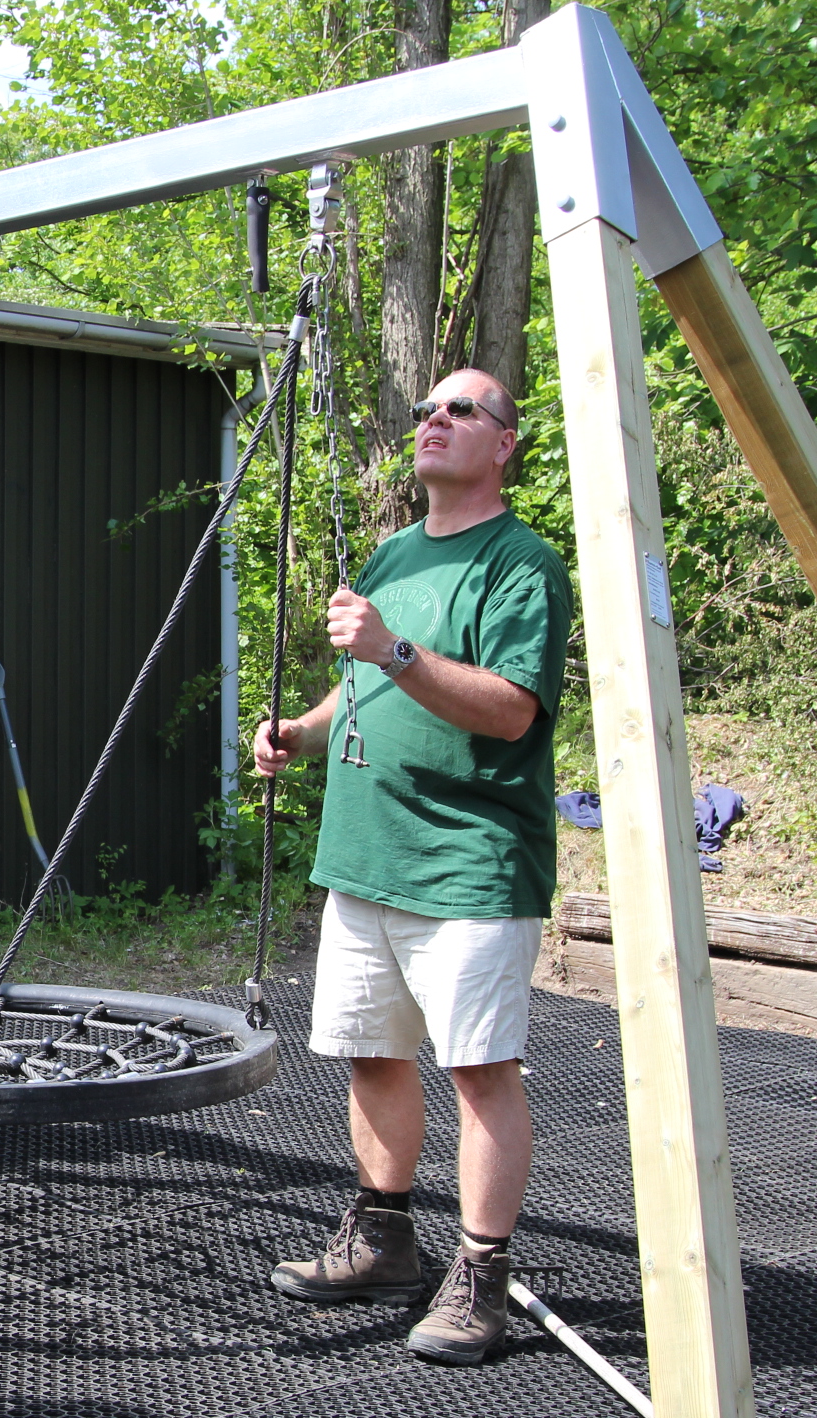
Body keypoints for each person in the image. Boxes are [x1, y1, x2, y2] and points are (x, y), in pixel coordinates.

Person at [253, 368, 571, 1367]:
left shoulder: (521, 564)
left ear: (503, 443)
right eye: (428, 408)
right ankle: (385, 1238)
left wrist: (392, 649)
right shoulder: (393, 552)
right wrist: (300, 732)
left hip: (468, 863)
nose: (434, 420)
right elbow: (361, 690)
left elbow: (511, 710)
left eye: (461, 410)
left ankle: (480, 1276)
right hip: (366, 858)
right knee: (373, 1053)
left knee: (480, 1070)